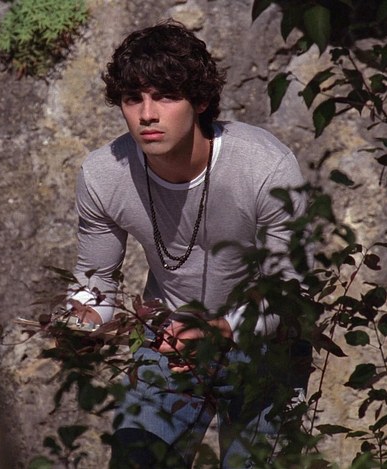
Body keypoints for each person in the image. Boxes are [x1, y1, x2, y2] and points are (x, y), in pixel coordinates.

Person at [66, 20, 308, 468]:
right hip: (168, 342)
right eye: (132, 98)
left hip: (265, 346)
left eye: (165, 96)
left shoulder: (263, 166)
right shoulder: (103, 175)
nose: (147, 114)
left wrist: (222, 329)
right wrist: (80, 325)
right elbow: (95, 282)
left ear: (199, 101)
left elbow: (292, 290)